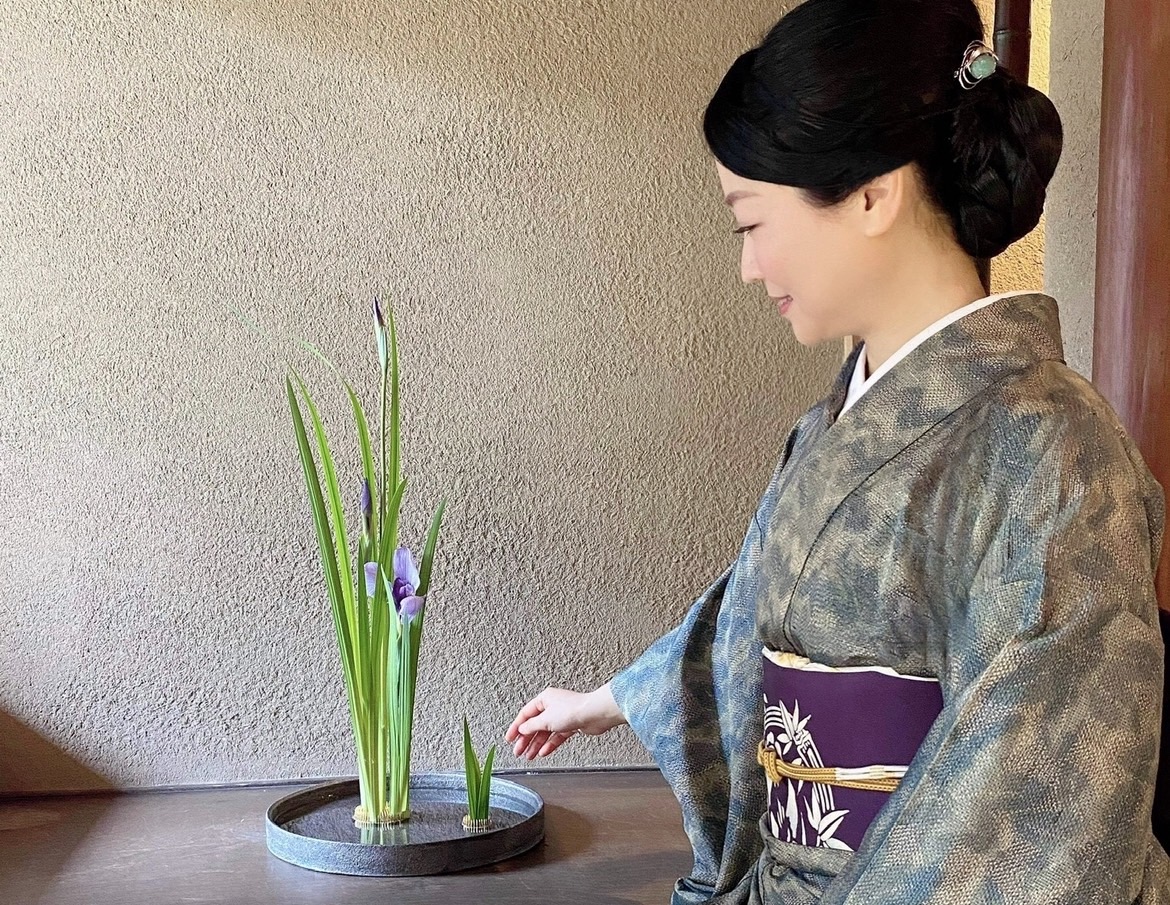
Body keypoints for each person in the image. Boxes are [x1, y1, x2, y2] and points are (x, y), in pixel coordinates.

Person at [506, 0, 1170, 901]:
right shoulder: (830, 426)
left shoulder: (1056, 450)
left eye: (750, 222)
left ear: (871, 192)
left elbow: (1041, 816)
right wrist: (612, 699)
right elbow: (754, 617)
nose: (747, 265)